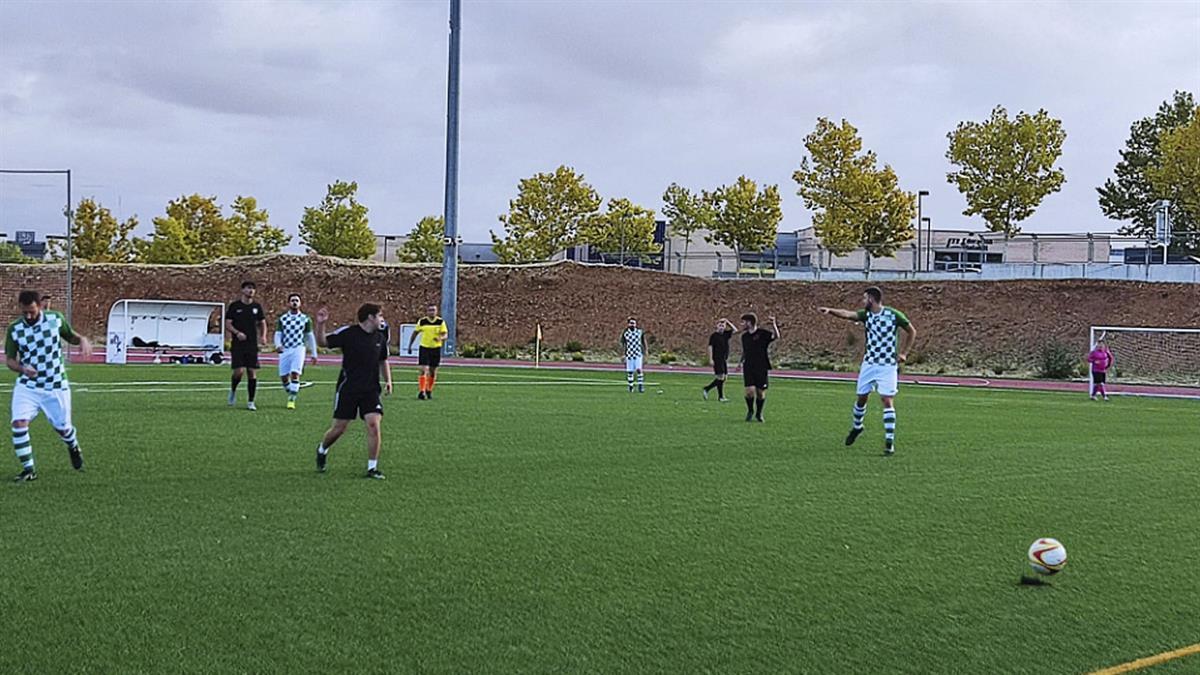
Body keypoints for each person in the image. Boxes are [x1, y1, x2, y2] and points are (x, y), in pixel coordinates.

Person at [5, 290, 93, 481]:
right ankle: (29, 470)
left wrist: (82, 340)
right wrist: (22, 368)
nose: (29, 316)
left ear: (40, 306)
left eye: (32, 312)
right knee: (19, 423)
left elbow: (70, 336)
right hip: (28, 386)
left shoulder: (55, 319)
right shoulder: (15, 329)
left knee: (63, 429)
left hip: (55, 385)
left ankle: (73, 445)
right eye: (25, 312)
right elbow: (10, 360)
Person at [818, 286, 916, 456]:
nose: (862, 301)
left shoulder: (893, 314)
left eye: (864, 298)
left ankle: (889, 443)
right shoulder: (867, 315)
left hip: (887, 365)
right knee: (862, 397)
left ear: (871, 299)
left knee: (887, 399)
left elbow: (911, 331)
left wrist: (904, 353)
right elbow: (848, 314)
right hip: (869, 364)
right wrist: (830, 311)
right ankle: (857, 427)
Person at [314, 303, 393, 479]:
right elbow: (323, 342)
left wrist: (388, 380)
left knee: (373, 425)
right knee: (339, 428)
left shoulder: (380, 337)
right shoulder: (349, 333)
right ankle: (322, 449)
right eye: (380, 316)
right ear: (370, 317)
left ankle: (372, 468)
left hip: (371, 390)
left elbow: (383, 360)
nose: (382, 319)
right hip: (348, 389)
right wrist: (320, 324)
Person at [226, 281, 267, 411]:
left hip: (252, 344)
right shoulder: (235, 306)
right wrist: (237, 333)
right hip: (238, 344)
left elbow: (262, 322)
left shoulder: (256, 307)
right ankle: (233, 390)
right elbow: (228, 323)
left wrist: (263, 336)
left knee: (251, 372)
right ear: (243, 290)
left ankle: (251, 401)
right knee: (239, 372)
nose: (251, 291)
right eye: (249, 288)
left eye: (253, 289)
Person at [274, 293, 319, 409]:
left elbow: (309, 336)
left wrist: (314, 353)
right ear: (288, 303)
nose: (294, 302)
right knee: (284, 377)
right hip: (285, 349)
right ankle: (291, 391)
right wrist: (278, 345)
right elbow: (278, 333)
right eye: (292, 300)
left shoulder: (305, 319)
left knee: (295, 373)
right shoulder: (283, 319)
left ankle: (291, 400)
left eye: (297, 300)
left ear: (300, 303)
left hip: (298, 348)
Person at [739, 313, 780, 422]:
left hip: (761, 366)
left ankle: (759, 413)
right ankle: (750, 411)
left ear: (749, 322)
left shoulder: (762, 333)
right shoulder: (744, 337)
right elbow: (745, 351)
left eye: (744, 322)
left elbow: (776, 337)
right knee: (749, 391)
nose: (742, 324)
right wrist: (740, 362)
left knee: (760, 393)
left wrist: (774, 325)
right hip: (748, 366)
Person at [406, 304, 448, 400]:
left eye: (433, 310)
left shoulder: (440, 322)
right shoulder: (422, 321)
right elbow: (415, 333)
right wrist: (410, 345)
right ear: (427, 312)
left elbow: (445, 335)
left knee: (432, 371)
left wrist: (440, 338)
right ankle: (422, 391)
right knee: (423, 370)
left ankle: (429, 390)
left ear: (436, 311)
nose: (431, 312)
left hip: (436, 348)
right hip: (424, 348)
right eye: (430, 310)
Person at [703, 318, 737, 402]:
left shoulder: (726, 334)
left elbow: (735, 330)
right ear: (717, 326)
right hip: (717, 358)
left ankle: (708, 389)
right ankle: (720, 396)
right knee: (720, 377)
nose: (721, 327)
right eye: (720, 325)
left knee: (724, 378)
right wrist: (711, 359)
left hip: (724, 358)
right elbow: (710, 347)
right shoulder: (714, 336)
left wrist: (728, 322)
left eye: (723, 325)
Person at [621, 317, 648, 393]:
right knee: (630, 371)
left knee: (639, 369)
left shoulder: (639, 332)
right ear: (628, 324)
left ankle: (640, 386)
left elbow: (643, 342)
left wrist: (645, 352)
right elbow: (623, 344)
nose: (632, 325)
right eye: (631, 323)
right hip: (629, 355)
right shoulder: (625, 333)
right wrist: (623, 354)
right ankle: (631, 386)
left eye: (633, 323)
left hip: (638, 354)